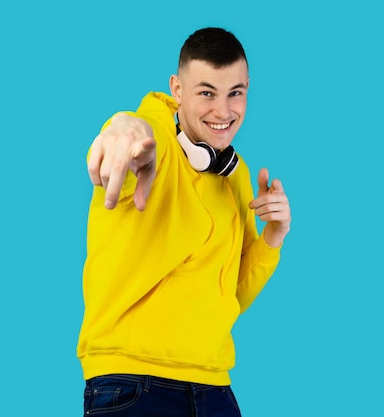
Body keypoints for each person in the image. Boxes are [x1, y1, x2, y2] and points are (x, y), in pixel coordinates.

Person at [77, 27, 291, 416]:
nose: (224, 111)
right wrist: (125, 128)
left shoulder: (235, 174)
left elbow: (232, 296)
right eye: (207, 92)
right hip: (132, 383)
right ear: (176, 89)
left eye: (236, 93)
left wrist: (273, 237)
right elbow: (134, 135)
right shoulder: (150, 143)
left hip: (214, 386)